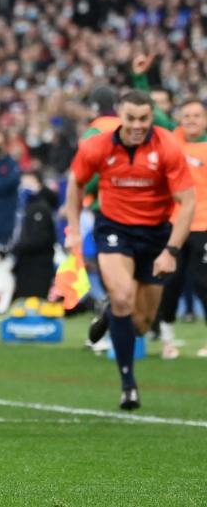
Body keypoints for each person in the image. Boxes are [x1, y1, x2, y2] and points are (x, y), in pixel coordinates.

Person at [66, 90, 194, 410]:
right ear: (119, 117)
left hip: (155, 234)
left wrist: (171, 251)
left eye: (144, 119)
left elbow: (188, 201)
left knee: (140, 324)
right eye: (131, 118)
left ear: (152, 117)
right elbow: (75, 183)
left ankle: (110, 316)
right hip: (114, 229)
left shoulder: (167, 147)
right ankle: (128, 385)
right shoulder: (97, 146)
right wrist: (73, 231)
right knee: (123, 295)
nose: (137, 125)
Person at [156, 99, 207, 359]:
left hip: (203, 225)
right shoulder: (174, 140)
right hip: (175, 225)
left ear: (205, 119)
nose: (191, 120)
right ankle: (167, 340)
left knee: (204, 282)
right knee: (170, 281)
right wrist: (141, 78)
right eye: (186, 116)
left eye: (197, 115)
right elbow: (154, 112)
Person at [11, 171, 58, 300]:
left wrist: (17, 247)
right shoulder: (24, 207)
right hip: (25, 262)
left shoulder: (40, 207)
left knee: (35, 301)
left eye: (29, 182)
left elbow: (40, 238)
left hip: (37, 264)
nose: (25, 186)